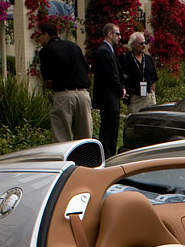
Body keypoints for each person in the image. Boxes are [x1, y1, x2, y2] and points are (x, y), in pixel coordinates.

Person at [37, 22, 92, 142]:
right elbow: (87, 70)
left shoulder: (46, 51)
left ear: (46, 35)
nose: (39, 39)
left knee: (62, 137)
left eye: (39, 36)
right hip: (83, 95)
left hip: (64, 95)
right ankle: (87, 160)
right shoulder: (74, 46)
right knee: (85, 137)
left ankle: (66, 161)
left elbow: (48, 80)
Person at [92, 23, 125, 156]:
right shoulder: (104, 51)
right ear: (110, 34)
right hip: (108, 98)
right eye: (117, 34)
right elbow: (111, 75)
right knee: (109, 130)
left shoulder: (108, 51)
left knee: (112, 129)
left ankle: (109, 153)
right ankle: (107, 155)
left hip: (111, 97)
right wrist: (120, 90)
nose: (120, 37)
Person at [120, 31, 157, 114]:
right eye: (141, 43)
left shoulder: (148, 59)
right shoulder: (125, 59)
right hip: (135, 98)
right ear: (133, 45)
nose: (144, 46)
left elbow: (153, 79)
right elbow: (120, 78)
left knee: (150, 122)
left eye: (145, 43)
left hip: (148, 97)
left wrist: (153, 95)